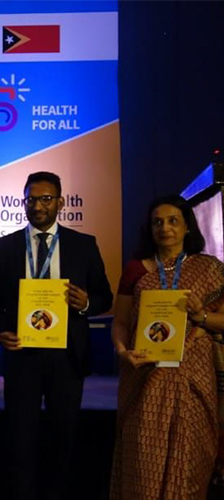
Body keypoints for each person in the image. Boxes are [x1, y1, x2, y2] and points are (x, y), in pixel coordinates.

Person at [0, 171, 113, 500]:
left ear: (60, 202)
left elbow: (104, 297)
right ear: (23, 202)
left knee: (63, 439)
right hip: (22, 355)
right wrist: (1, 332)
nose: (38, 205)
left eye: (45, 199)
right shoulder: (6, 246)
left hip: (66, 357)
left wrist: (85, 304)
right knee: (19, 442)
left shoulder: (83, 245)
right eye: (31, 199)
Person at [109, 195, 224, 500]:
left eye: (173, 220)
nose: (165, 228)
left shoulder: (210, 269)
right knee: (143, 463)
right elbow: (119, 323)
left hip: (193, 381)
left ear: (187, 226)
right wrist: (122, 351)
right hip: (144, 378)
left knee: (190, 464)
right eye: (157, 222)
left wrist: (201, 315)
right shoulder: (136, 270)